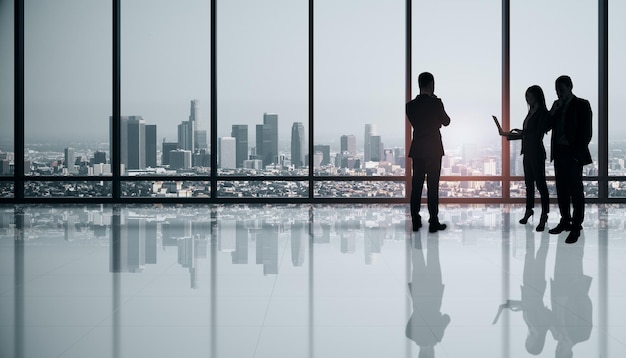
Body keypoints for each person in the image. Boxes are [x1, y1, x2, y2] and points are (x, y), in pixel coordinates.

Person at [547, 76, 592, 244]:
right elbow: (546, 127)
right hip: (559, 153)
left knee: (576, 191)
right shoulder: (557, 106)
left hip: (572, 154)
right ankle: (565, 220)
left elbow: (586, 132)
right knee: (562, 190)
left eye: (562, 90)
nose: (559, 93)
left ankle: (576, 226)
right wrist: (553, 111)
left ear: (570, 88)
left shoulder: (582, 104)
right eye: (557, 90)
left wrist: (575, 154)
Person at [501, 85, 551, 231]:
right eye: (526, 97)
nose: (528, 99)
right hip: (528, 152)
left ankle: (544, 215)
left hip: (536, 152)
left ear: (537, 96)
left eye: (530, 96)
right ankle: (529, 210)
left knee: (541, 185)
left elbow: (535, 133)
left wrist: (516, 134)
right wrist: (510, 135)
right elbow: (528, 133)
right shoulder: (531, 112)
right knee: (529, 184)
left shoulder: (542, 112)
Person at [406, 72, 450, 233]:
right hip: (434, 149)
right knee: (433, 186)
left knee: (416, 186)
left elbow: (418, 123)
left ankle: (416, 220)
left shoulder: (410, 106)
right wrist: (436, 106)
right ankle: (433, 220)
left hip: (418, 149)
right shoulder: (436, 103)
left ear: (419, 85)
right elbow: (446, 121)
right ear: (431, 84)